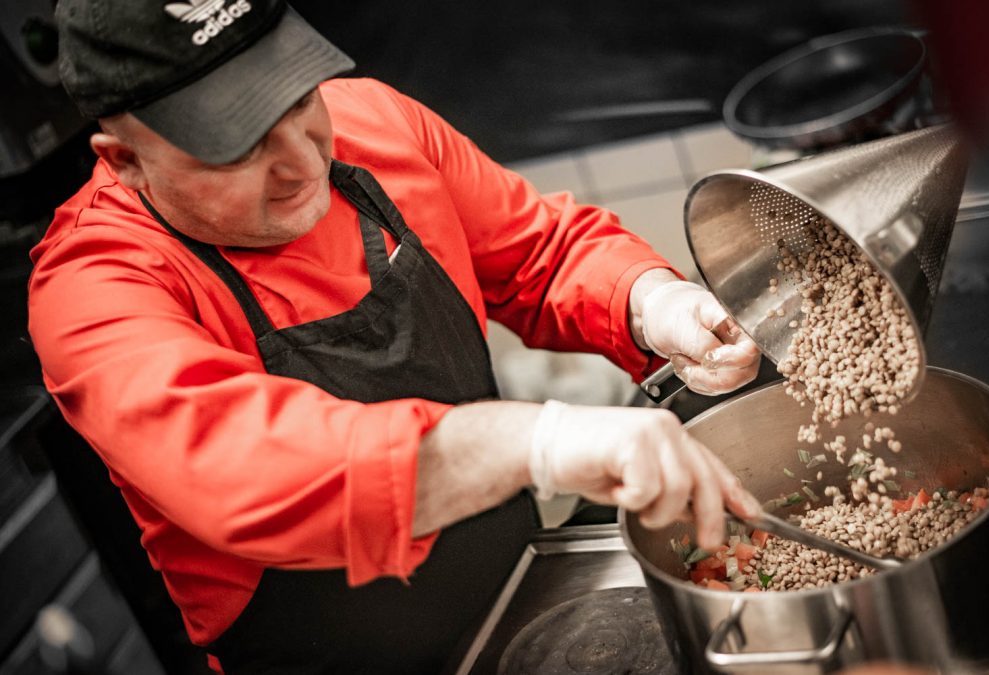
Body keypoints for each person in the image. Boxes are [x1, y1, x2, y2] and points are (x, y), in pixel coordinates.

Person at [30, 1, 762, 672]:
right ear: (124, 161)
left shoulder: (373, 120)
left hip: (520, 592)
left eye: (298, 98)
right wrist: (539, 442)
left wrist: (652, 301)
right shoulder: (92, 287)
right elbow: (254, 467)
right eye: (236, 146)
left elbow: (544, 252)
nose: (303, 159)